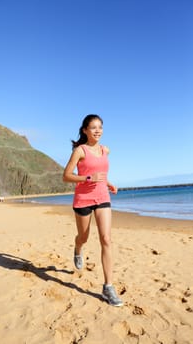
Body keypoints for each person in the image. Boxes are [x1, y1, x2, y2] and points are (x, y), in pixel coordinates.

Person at [63, 114, 123, 307]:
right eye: (93, 127)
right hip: (83, 199)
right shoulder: (80, 151)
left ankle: (108, 287)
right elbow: (66, 176)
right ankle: (78, 248)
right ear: (85, 130)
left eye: (100, 127)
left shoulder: (106, 150)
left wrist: (109, 183)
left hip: (102, 197)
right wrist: (88, 178)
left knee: (106, 239)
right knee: (84, 237)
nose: (98, 130)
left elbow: (101, 174)